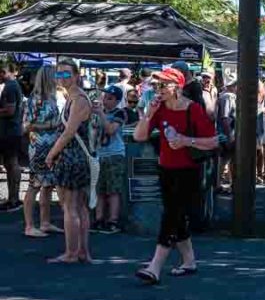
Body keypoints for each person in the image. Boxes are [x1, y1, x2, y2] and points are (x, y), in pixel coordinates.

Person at [132, 67, 217, 285]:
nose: (158, 89)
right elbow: (139, 136)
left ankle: (155, 266)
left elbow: (214, 141)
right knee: (176, 217)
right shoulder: (158, 108)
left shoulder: (193, 109)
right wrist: (148, 114)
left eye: (163, 85)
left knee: (171, 215)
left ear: (177, 87)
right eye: (156, 85)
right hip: (165, 169)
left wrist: (186, 140)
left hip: (188, 170)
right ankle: (189, 261)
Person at [45, 58, 93, 264]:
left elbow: (68, 133)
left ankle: (72, 253)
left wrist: (50, 154)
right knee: (78, 207)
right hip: (73, 157)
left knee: (71, 207)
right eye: (59, 74)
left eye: (66, 74)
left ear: (76, 76)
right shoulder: (73, 97)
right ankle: (81, 251)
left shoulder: (79, 99)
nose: (62, 78)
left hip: (72, 158)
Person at [22, 65, 61, 237]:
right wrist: (52, 125)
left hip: (50, 147)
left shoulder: (50, 97)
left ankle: (45, 222)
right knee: (35, 185)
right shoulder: (37, 99)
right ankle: (29, 225)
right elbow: (27, 125)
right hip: (40, 147)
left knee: (48, 185)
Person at [91, 86, 127, 234]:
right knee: (99, 189)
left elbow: (110, 129)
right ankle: (99, 218)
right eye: (105, 97)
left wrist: (100, 114)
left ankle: (113, 220)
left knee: (113, 190)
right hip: (100, 154)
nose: (106, 101)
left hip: (114, 155)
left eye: (110, 98)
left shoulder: (119, 112)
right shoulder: (99, 113)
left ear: (117, 101)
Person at [0, 61, 24, 212]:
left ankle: (14, 199)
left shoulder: (10, 86)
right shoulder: (13, 85)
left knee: (12, 164)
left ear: (4, 71)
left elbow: (10, 110)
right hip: (11, 131)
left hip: (10, 132)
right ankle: (12, 198)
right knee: (10, 164)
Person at [216, 76, 237, 192]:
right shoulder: (228, 97)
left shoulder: (228, 96)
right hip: (227, 133)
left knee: (228, 159)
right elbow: (225, 118)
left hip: (228, 132)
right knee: (225, 159)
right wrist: (230, 136)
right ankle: (218, 184)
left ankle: (231, 183)